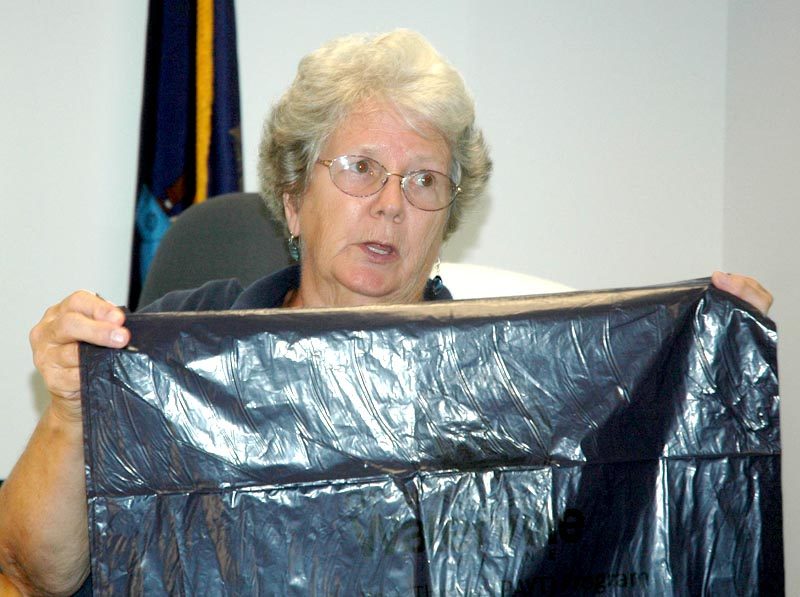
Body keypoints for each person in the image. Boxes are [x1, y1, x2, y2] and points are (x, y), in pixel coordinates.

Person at [0, 30, 773, 595]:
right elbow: (32, 570)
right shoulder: (180, 344)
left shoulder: (501, 373)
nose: (391, 205)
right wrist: (72, 414)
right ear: (295, 198)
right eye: (362, 168)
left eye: (425, 179)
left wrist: (708, 362)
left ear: (443, 225)